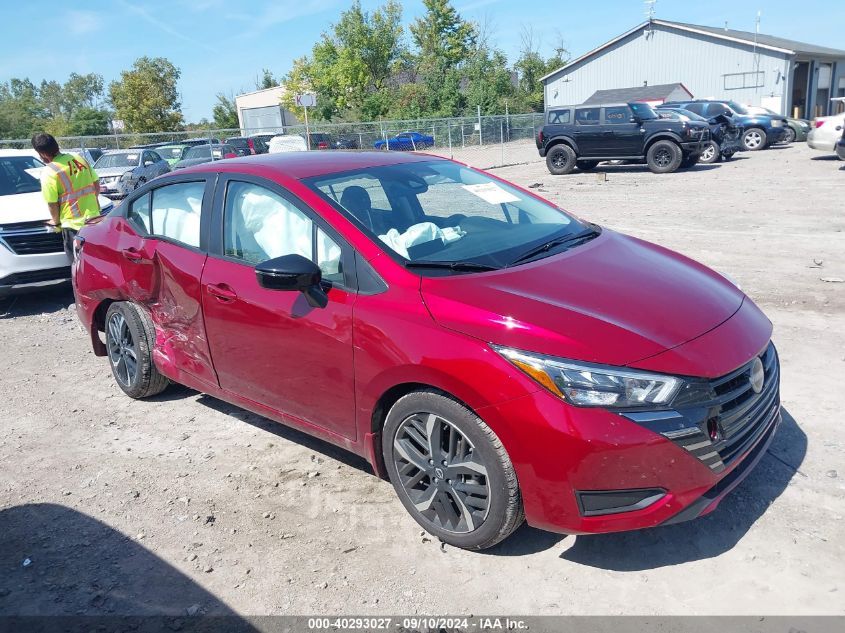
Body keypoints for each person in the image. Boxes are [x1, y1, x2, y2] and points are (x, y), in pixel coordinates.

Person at [30, 133, 101, 261]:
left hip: (73, 226)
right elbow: (96, 184)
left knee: (78, 266)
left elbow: (52, 203)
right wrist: (92, 202)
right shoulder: (79, 158)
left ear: (42, 153)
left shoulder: (49, 172)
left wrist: (55, 222)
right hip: (95, 220)